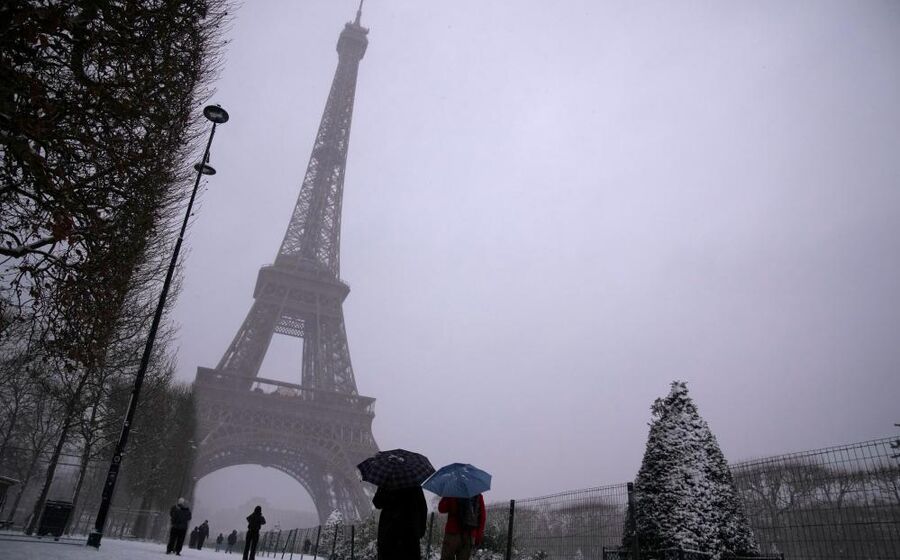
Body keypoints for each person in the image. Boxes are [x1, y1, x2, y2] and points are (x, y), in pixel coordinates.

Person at [372, 485, 428, 560]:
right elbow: (423, 507)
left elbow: (377, 502)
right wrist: (420, 530)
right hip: (410, 532)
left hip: (389, 531)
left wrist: (380, 489)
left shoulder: (387, 483)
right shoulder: (413, 483)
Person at [438, 494, 486, 560]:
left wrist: (447, 494)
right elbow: (482, 517)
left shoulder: (453, 491)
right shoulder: (477, 495)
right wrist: (478, 536)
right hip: (469, 535)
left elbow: (441, 508)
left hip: (452, 534)